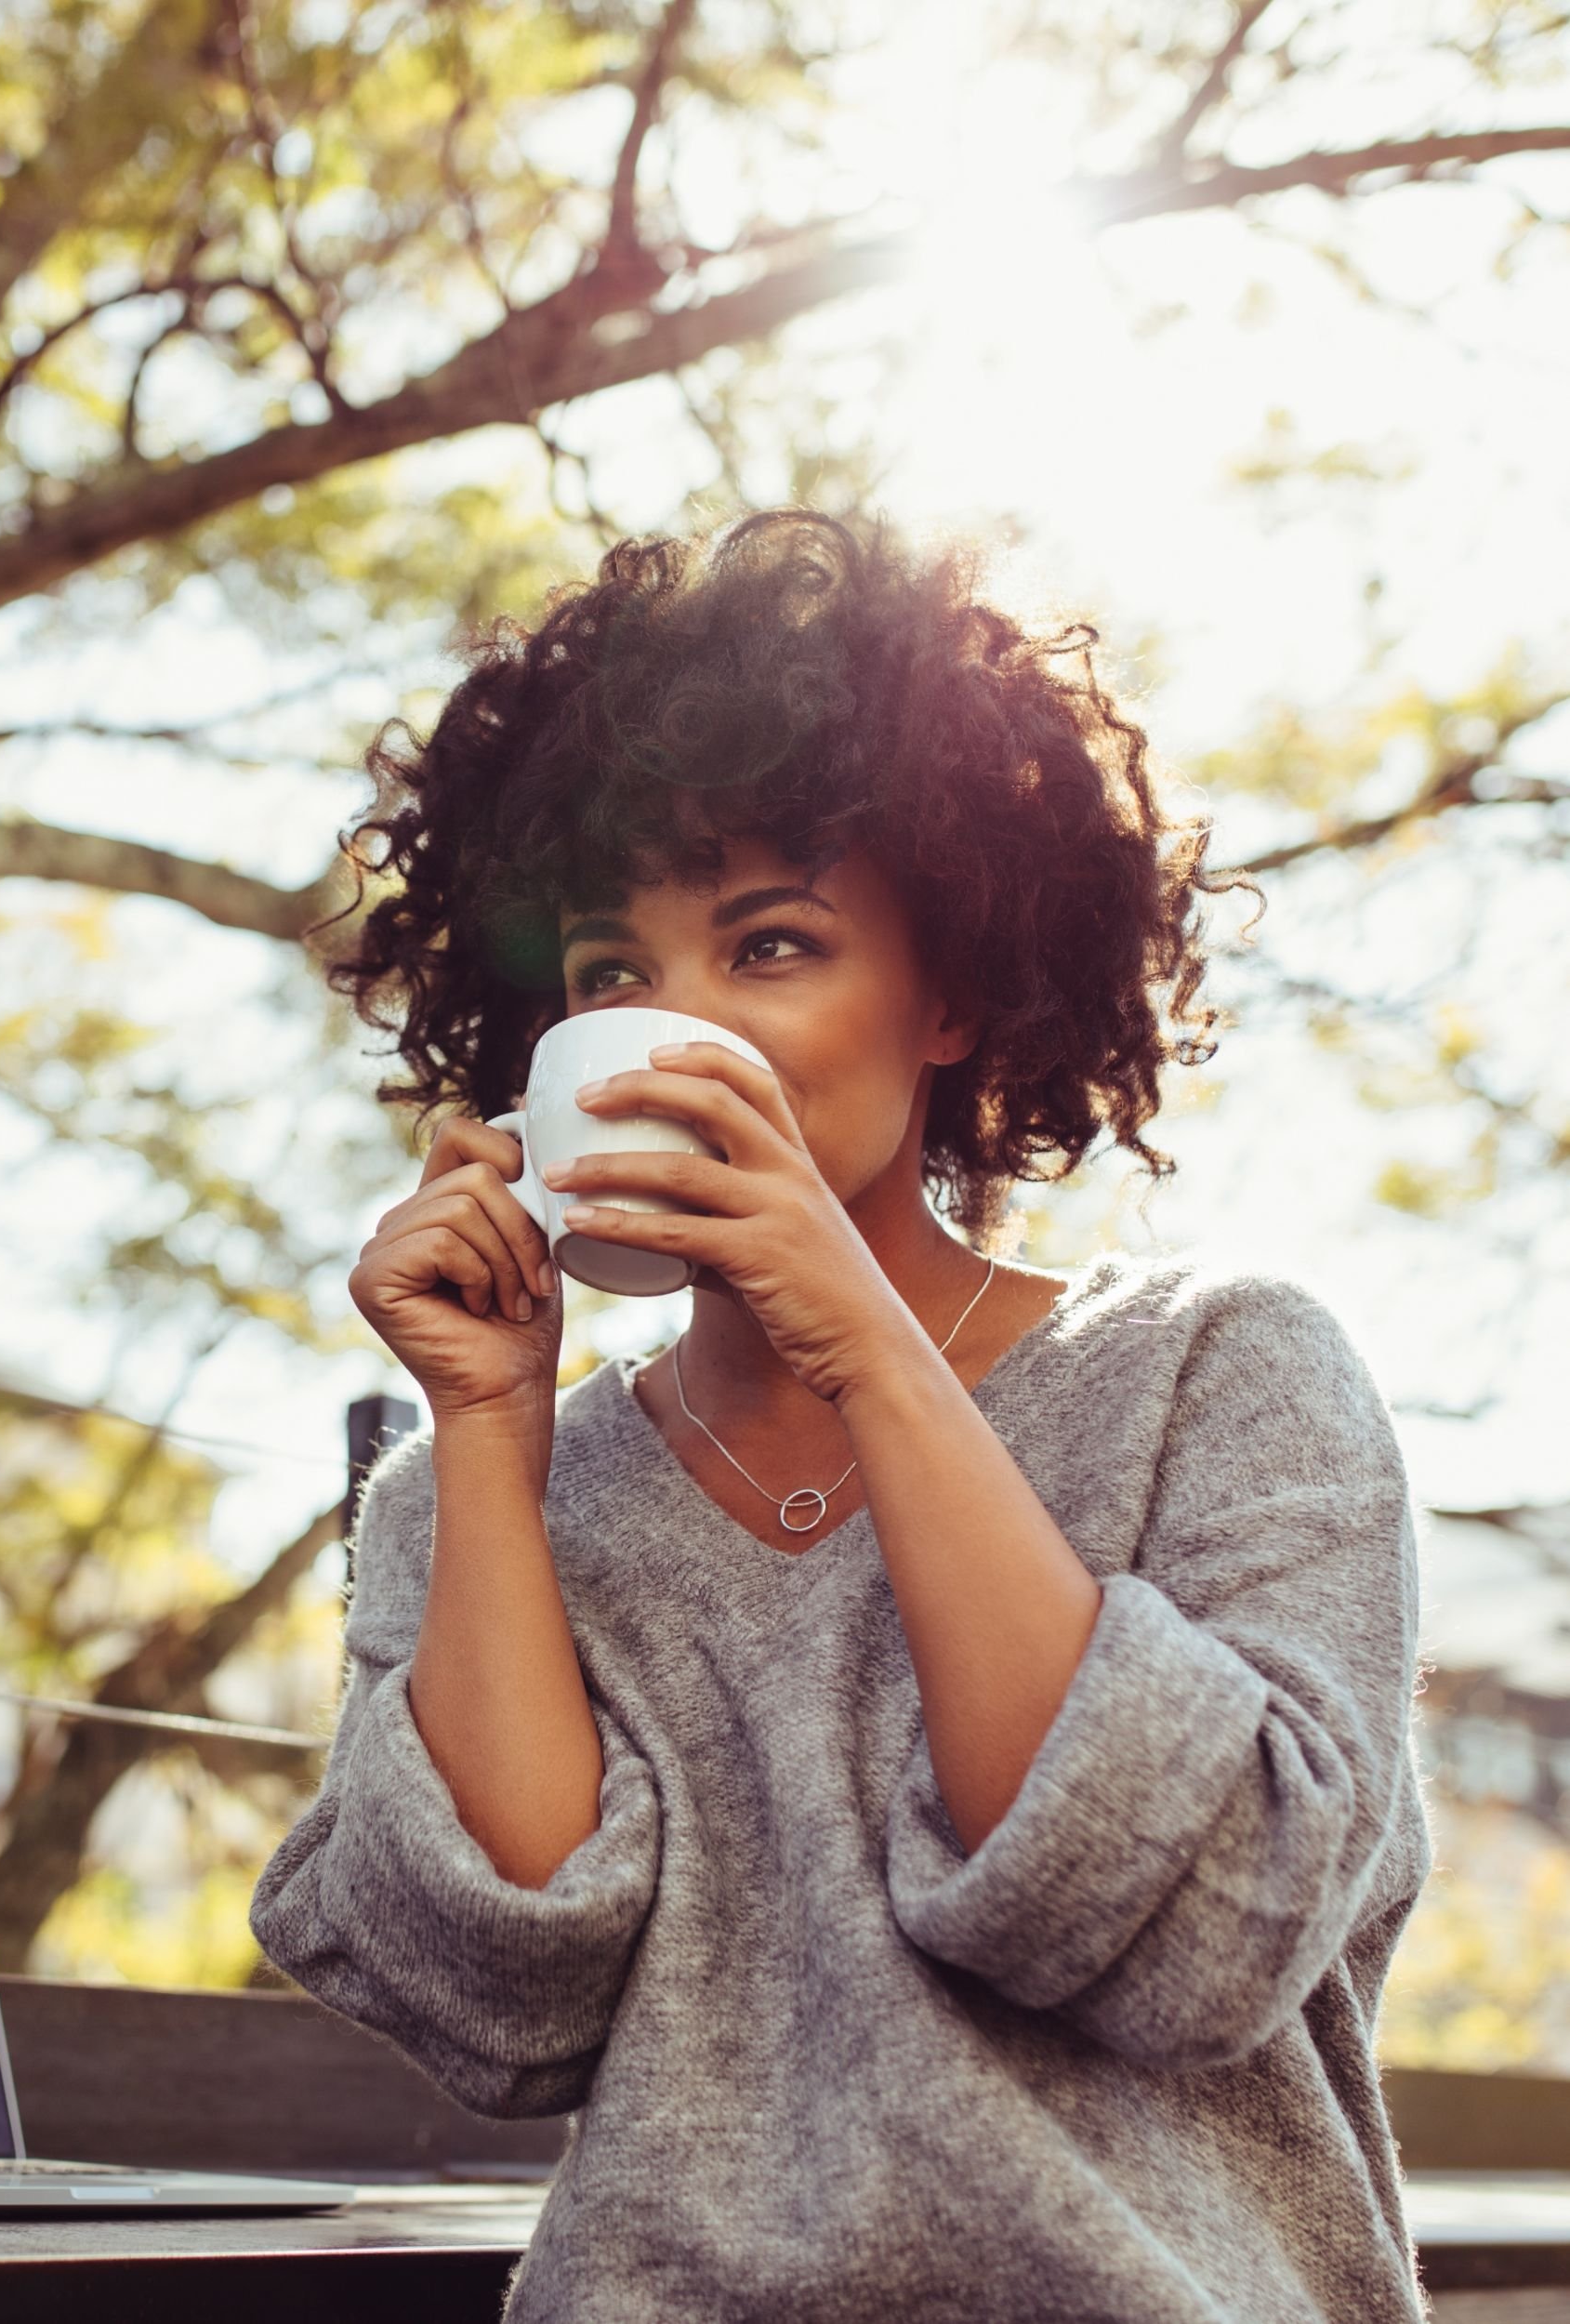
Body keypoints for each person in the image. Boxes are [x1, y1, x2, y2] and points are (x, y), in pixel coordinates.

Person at [248, 508, 1434, 2322]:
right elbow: (497, 1990)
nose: (670, 1026)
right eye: (604, 974)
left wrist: (865, 1344)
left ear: (954, 987)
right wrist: (489, 1425)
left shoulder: (1222, 1371)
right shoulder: (470, 1488)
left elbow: (1205, 1930)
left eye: (770, 943)